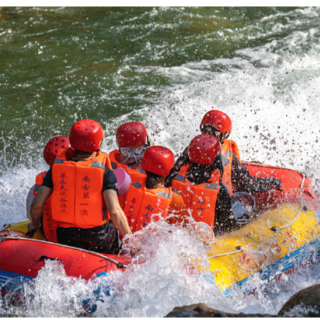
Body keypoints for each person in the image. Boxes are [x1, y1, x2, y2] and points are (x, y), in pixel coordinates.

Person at [28, 119, 132, 254]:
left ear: (71, 142)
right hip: (99, 239)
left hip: (66, 238)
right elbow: (114, 211)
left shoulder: (55, 170)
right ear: (99, 143)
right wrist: (130, 239)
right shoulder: (106, 173)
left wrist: (34, 224)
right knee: (113, 228)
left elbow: (36, 205)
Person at [167, 110, 282, 195]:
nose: (208, 134)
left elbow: (171, 177)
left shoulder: (191, 149)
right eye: (206, 131)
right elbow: (246, 183)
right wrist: (272, 182)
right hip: (216, 204)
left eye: (210, 131)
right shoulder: (226, 156)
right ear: (224, 135)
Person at [172, 134, 237, 234]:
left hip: (173, 235)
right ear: (216, 161)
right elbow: (228, 226)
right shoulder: (220, 190)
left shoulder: (171, 178)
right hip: (202, 241)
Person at [123, 146, 187, 233]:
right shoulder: (173, 197)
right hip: (153, 245)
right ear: (170, 172)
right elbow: (181, 230)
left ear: (143, 164)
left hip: (124, 241)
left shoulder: (129, 184)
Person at [26, 136, 70, 242]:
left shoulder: (35, 188)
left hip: (49, 237)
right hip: (75, 236)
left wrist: (35, 224)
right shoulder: (79, 182)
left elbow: (31, 215)